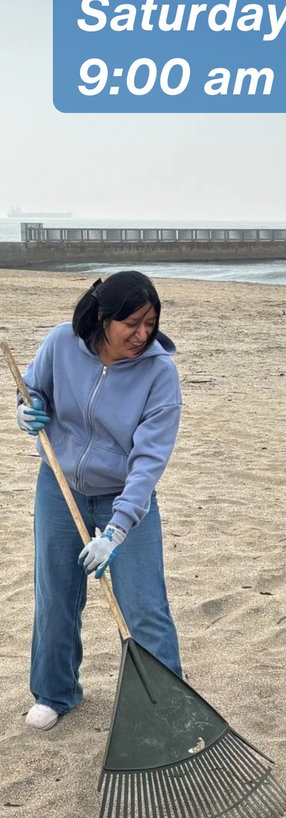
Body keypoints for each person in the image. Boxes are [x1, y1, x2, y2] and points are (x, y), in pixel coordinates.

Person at [15, 271, 183, 731]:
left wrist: (116, 531)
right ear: (102, 317)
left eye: (150, 323)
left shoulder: (159, 372)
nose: (142, 334)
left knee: (144, 607)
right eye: (132, 323)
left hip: (123, 496)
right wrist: (25, 410)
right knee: (56, 596)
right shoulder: (60, 344)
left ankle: (164, 709)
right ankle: (56, 692)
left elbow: (148, 462)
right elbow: (32, 389)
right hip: (59, 486)